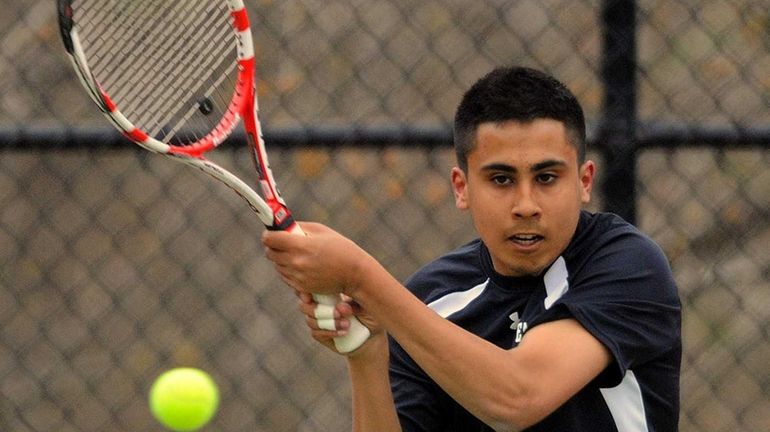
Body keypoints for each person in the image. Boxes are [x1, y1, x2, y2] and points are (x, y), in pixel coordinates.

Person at [262, 66, 681, 431]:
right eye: (501, 179)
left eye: (547, 177)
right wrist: (366, 352)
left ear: (584, 181)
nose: (526, 206)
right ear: (462, 189)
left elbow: (518, 398)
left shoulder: (629, 265)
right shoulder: (427, 302)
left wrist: (360, 277)